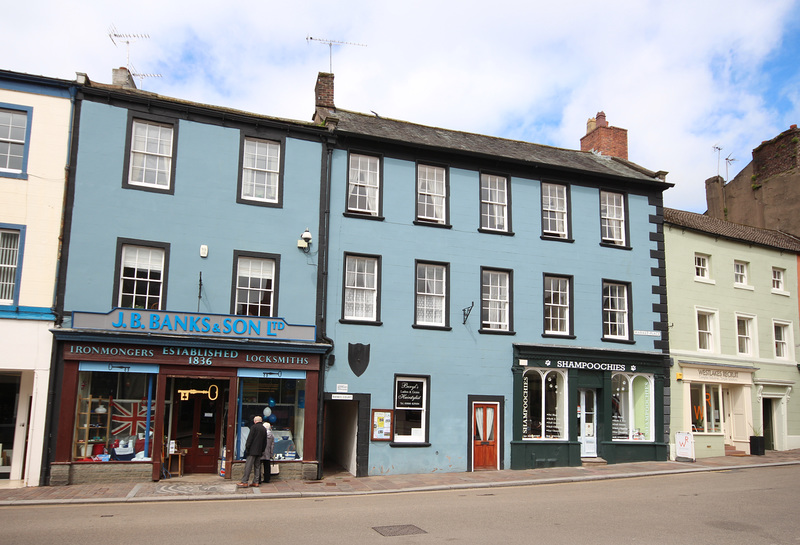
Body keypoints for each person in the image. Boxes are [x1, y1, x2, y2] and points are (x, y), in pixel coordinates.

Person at [238, 415, 267, 487]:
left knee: (248, 466)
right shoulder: (264, 429)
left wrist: (247, 448)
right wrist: (262, 450)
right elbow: (265, 442)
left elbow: (250, 439)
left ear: (255, 421)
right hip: (259, 451)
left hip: (252, 450)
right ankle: (256, 481)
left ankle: (244, 481)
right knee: (257, 467)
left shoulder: (253, 427)